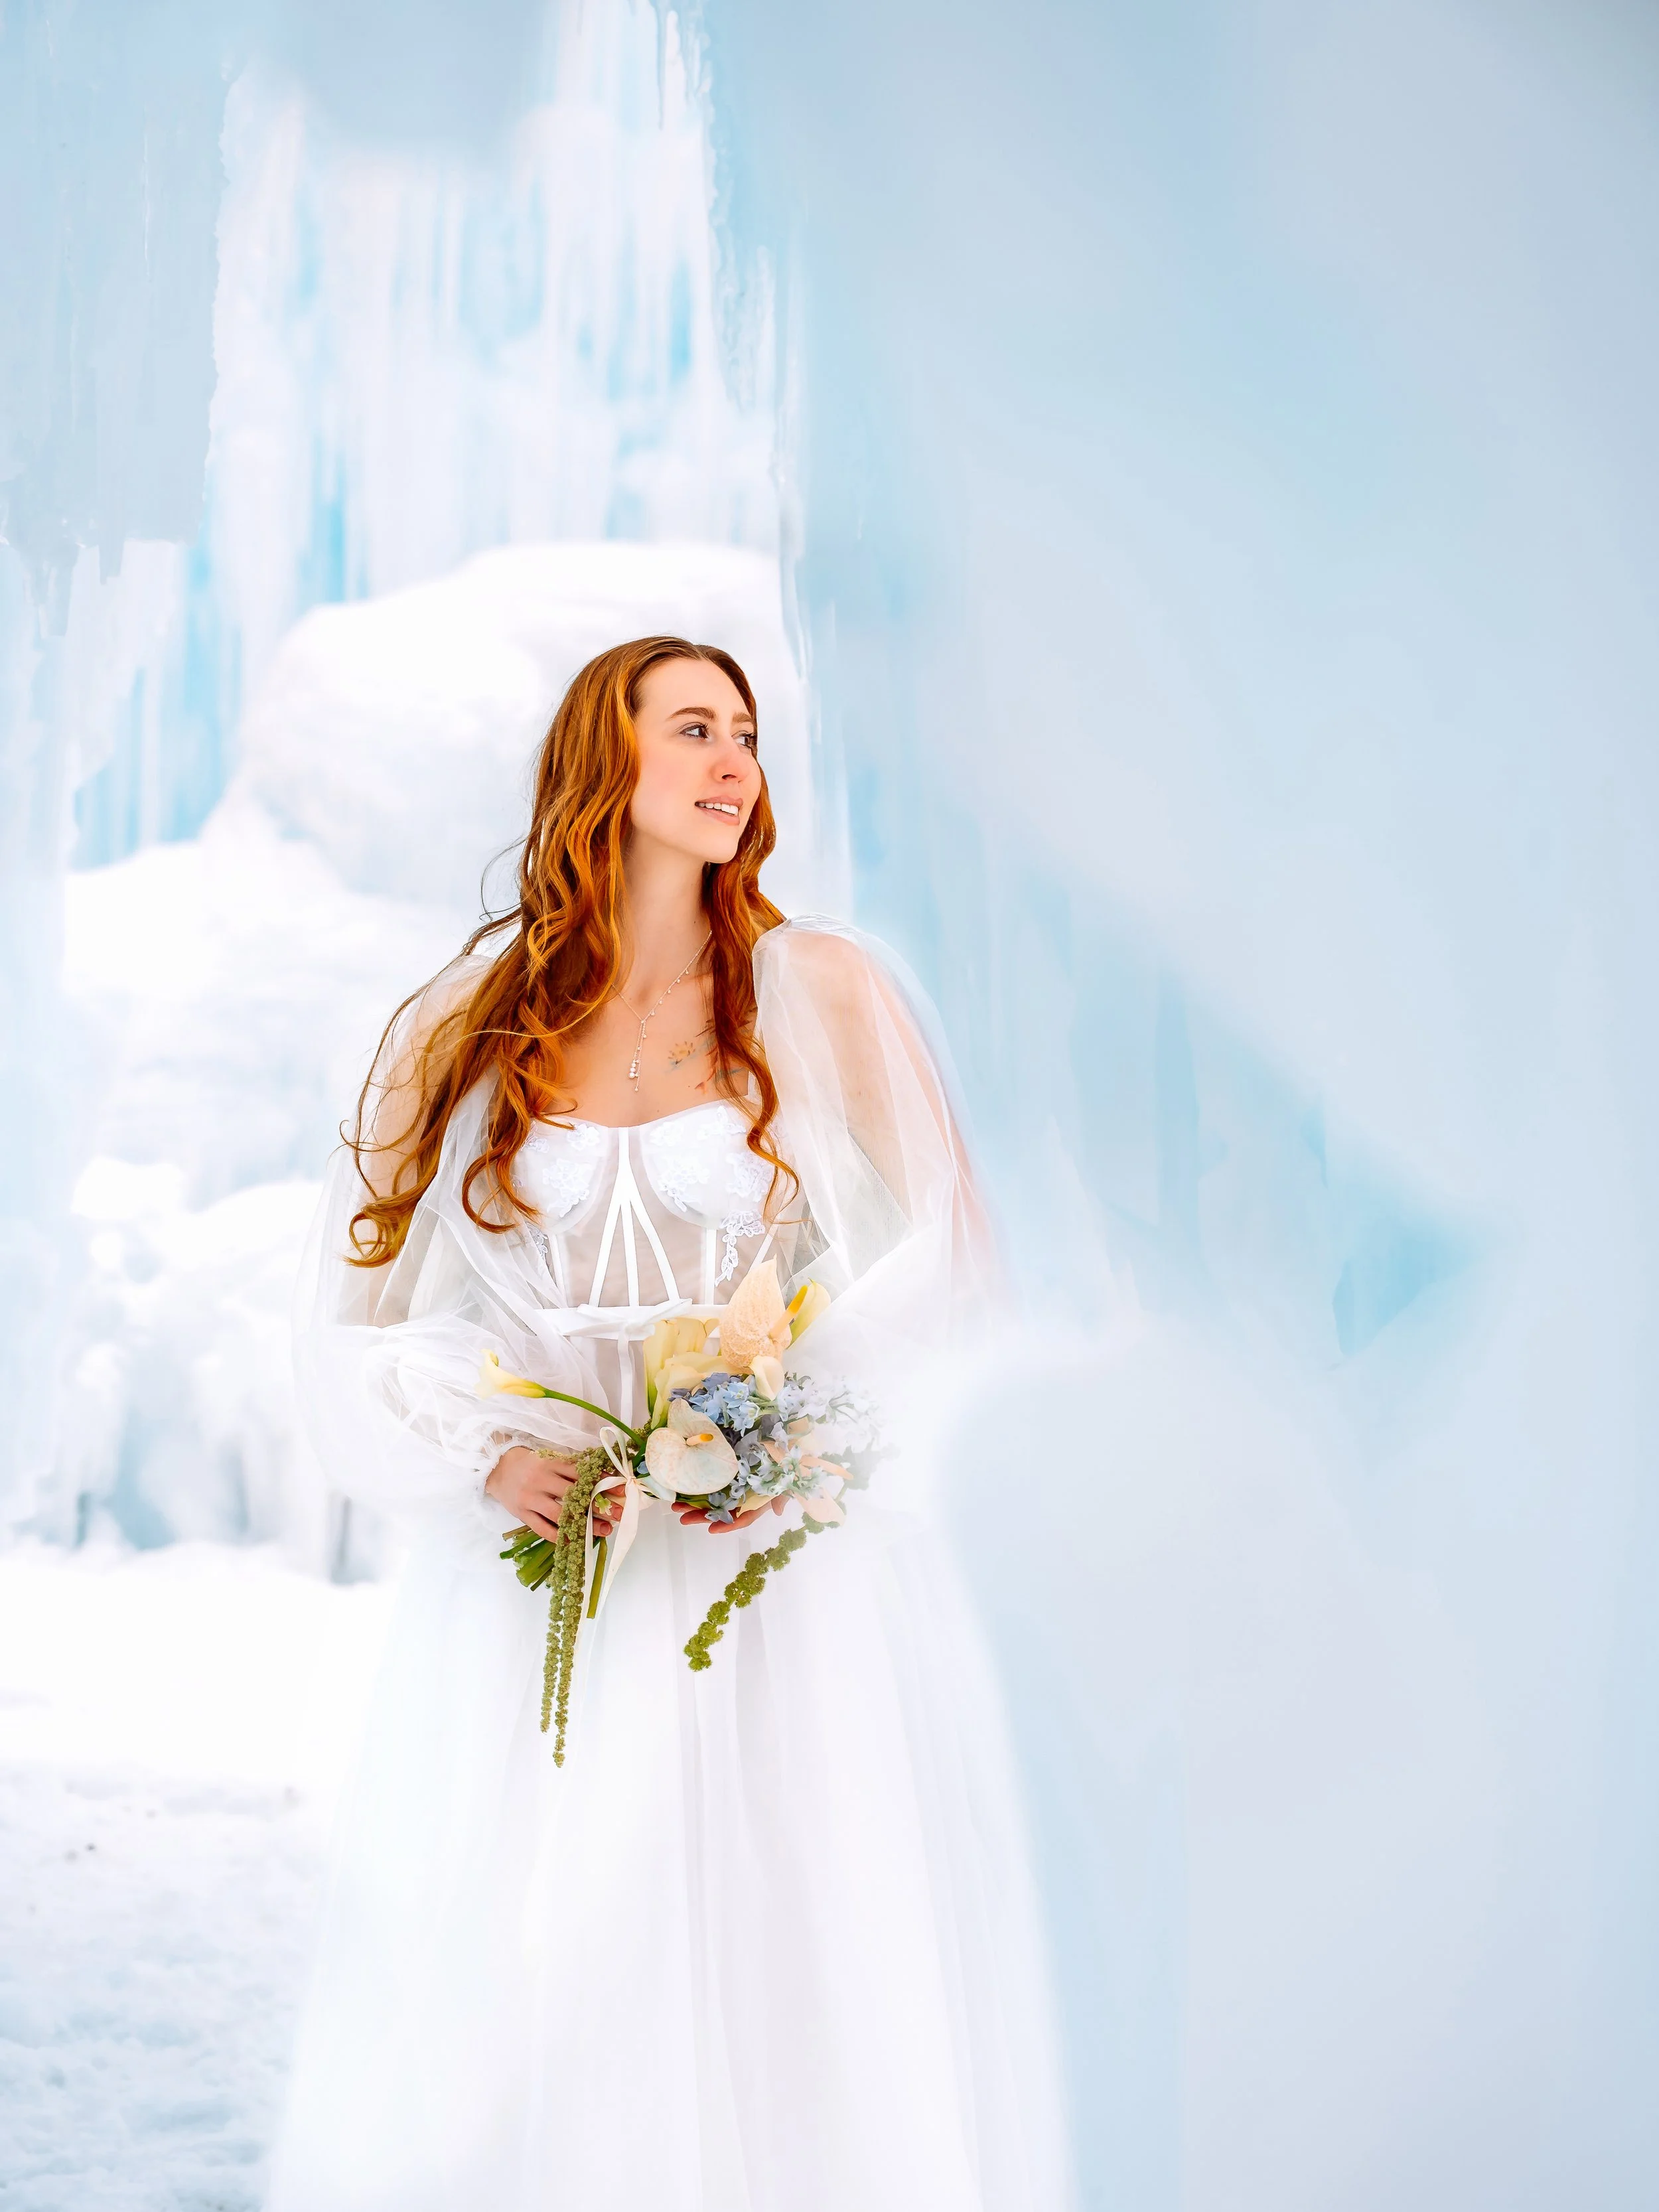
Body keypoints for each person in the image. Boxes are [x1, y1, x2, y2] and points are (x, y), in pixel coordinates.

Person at [267, 637, 1072, 2212]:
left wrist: (767, 1419)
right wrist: (488, 1448)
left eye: (747, 736)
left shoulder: (813, 984)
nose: (731, 763)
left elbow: (946, 1247)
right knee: (544, 1971)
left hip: (774, 1577)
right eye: (691, 728)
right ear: (602, 765)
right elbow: (355, 1321)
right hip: (545, 1574)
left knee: (797, 1957)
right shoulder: (466, 1012)